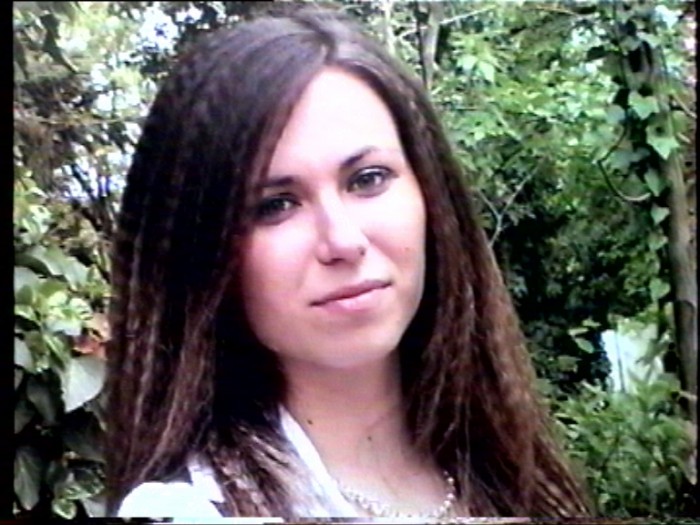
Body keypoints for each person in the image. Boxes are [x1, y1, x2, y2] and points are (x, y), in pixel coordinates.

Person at [106, 5, 591, 521]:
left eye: (368, 179)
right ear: (203, 253)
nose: (342, 240)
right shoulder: (190, 511)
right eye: (275, 206)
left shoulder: (518, 476)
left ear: (432, 193)